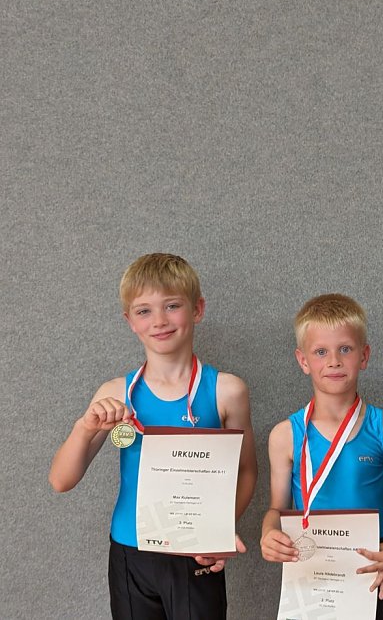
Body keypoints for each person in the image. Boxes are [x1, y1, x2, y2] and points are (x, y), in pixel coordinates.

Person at [49, 253, 258, 620]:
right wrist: (85, 427)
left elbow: (246, 472)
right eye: (144, 311)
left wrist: (218, 532)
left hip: (195, 551)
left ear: (198, 309)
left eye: (172, 306)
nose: (159, 321)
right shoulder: (115, 393)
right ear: (129, 321)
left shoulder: (226, 390)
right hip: (130, 552)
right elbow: (61, 480)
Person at [261, 293, 383, 619]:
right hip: (310, 566)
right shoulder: (285, 436)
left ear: (364, 355)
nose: (333, 361)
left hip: (373, 565)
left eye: (345, 349)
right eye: (320, 352)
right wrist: (268, 534)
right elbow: (277, 509)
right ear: (303, 360)